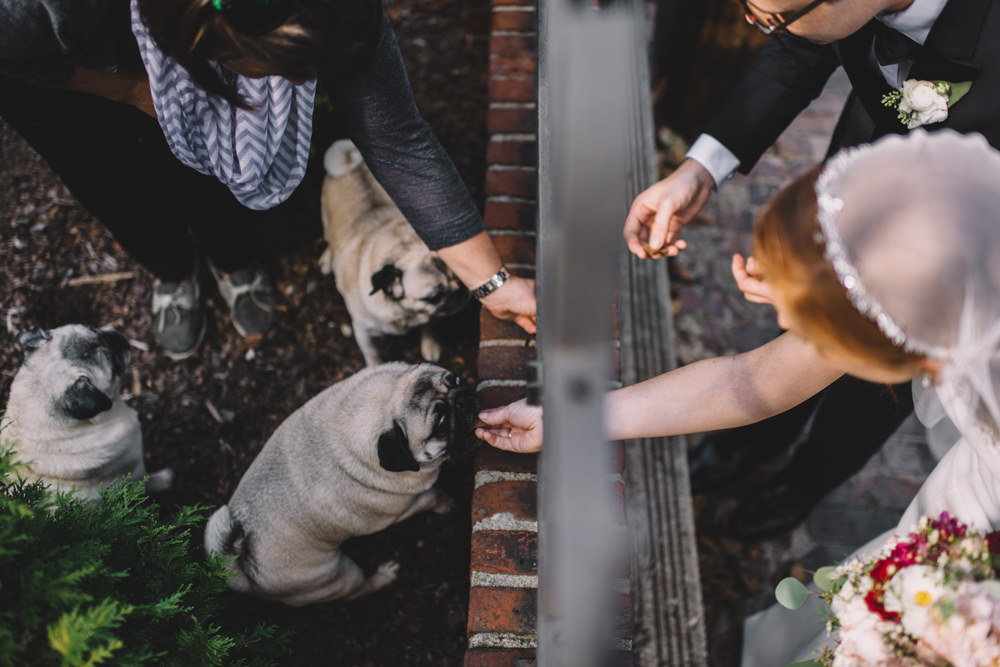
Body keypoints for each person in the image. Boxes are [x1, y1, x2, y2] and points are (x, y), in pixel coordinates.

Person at [478, 129, 1000, 663]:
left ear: (886, 334)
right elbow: (751, 382)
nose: (783, 326)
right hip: (957, 510)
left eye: (806, 330)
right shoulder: (937, 285)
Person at [620, 0, 1000, 541]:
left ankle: (801, 486)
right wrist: (701, 170)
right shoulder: (828, 12)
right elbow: (801, 46)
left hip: (962, 256)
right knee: (805, 336)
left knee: (875, 388)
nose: (760, 29)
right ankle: (749, 445)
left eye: (768, 17)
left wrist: (879, 290)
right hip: (869, 177)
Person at [0, 0, 536, 359]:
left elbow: (397, 139)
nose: (305, 82)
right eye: (284, 71)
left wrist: (496, 286)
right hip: (38, 64)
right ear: (203, 37)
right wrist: (138, 92)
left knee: (197, 164)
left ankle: (233, 260)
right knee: (102, 171)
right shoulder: (39, 12)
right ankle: (169, 267)